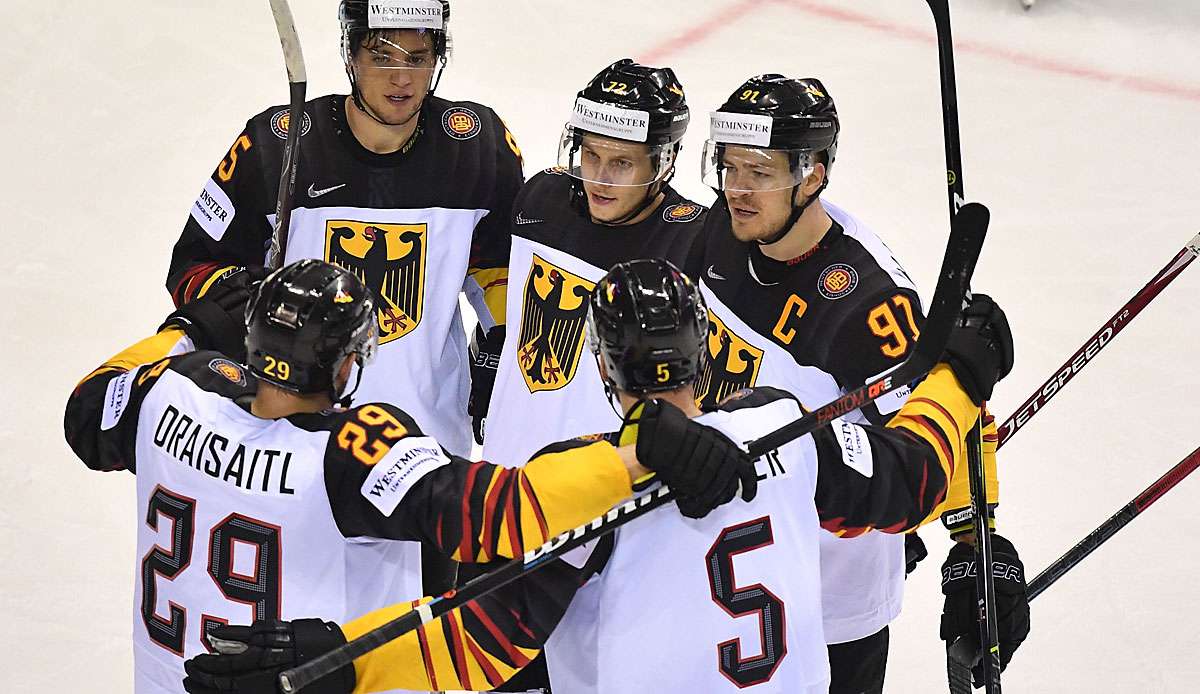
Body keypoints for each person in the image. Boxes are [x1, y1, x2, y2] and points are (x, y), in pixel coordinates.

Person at [180, 258, 1015, 694]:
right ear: (704, 352)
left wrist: (348, 663)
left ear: (604, 371)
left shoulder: (580, 481)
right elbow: (912, 479)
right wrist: (960, 374)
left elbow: (479, 642)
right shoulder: (782, 430)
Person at [64, 259, 756, 694]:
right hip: (313, 680)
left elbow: (88, 408)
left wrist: (188, 326)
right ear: (343, 367)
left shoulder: (170, 391)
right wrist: (646, 453)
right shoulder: (348, 449)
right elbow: (496, 515)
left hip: (169, 676)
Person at [696, 74, 1028, 691]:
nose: (737, 190)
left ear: (814, 174)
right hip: (735, 576)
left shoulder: (865, 302)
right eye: (730, 167)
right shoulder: (722, 229)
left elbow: (945, 405)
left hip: (831, 607)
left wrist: (974, 540)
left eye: (760, 173)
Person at [165, 0, 521, 465]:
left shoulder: (477, 146)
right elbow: (195, 267)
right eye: (383, 57)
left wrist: (499, 343)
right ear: (351, 55)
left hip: (424, 447)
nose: (402, 78)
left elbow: (497, 265)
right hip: (290, 445)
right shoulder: (276, 146)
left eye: (418, 58)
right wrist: (251, 307)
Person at [477, 58, 709, 466]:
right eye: (591, 154)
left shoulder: (691, 242)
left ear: (664, 161)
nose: (599, 179)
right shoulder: (542, 199)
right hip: (508, 466)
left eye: (622, 163)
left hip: (608, 490)